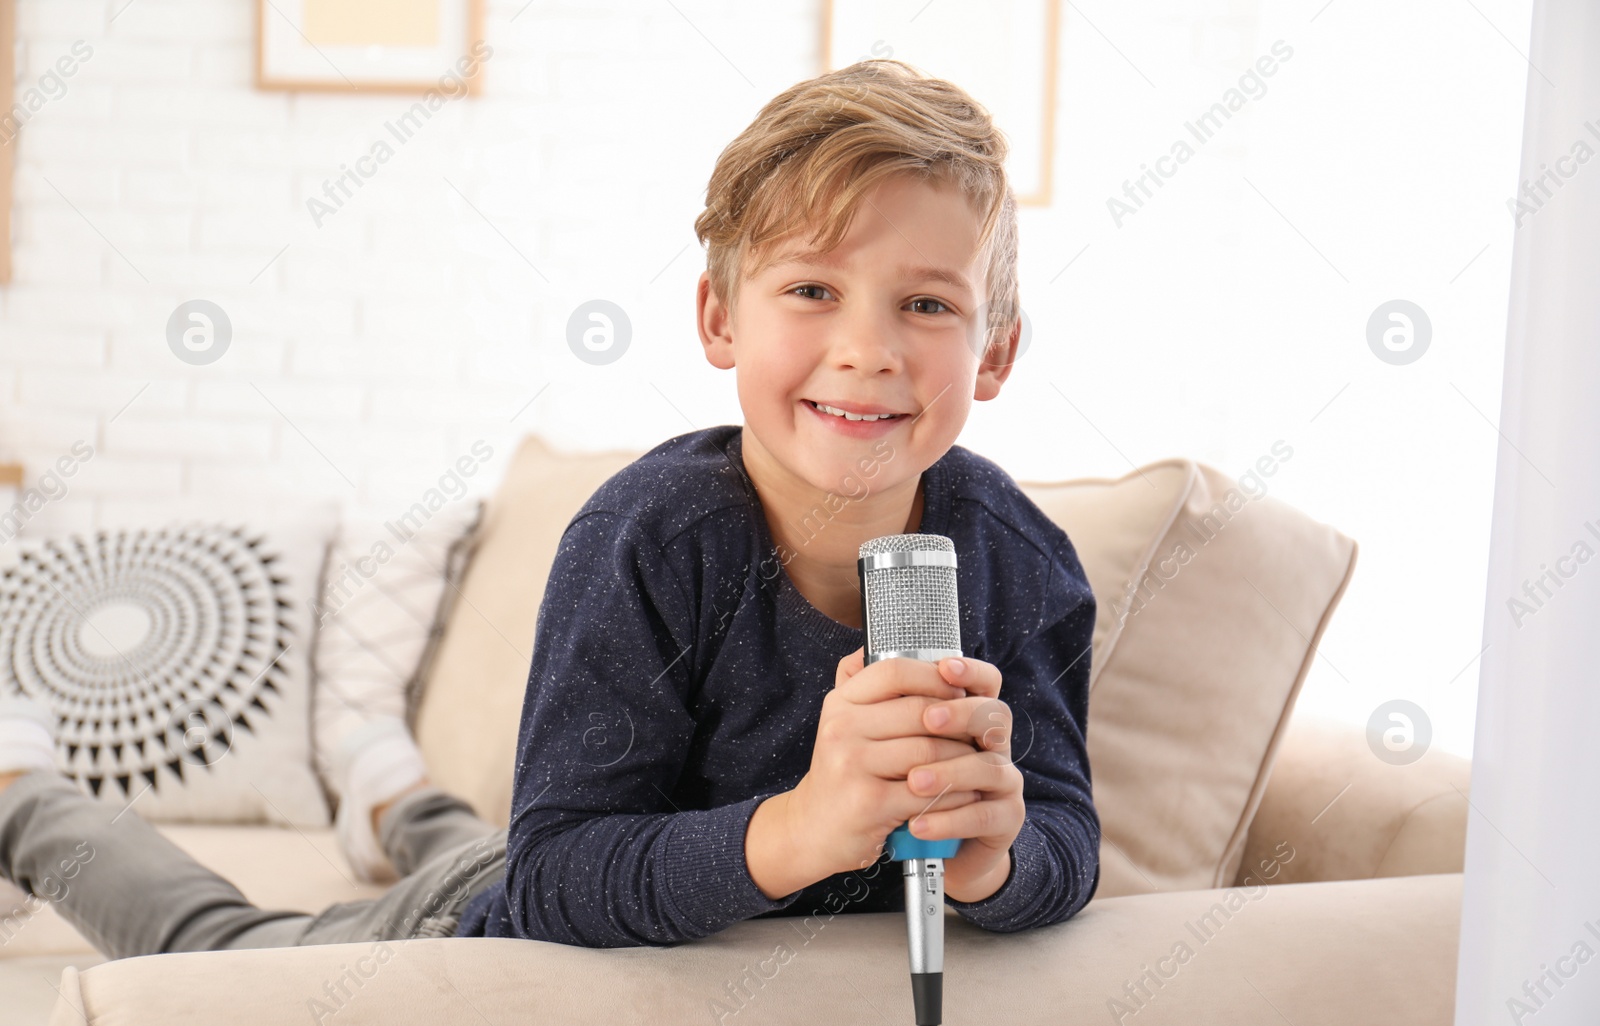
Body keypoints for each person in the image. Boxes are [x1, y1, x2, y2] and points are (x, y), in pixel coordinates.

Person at [0, 56, 1099, 959]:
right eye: (811, 288)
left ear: (993, 349)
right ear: (718, 318)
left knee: (470, 833)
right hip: (478, 918)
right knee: (222, 944)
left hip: (549, 851)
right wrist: (802, 828)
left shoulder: (1018, 562)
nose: (867, 347)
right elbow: (554, 874)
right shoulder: (650, 536)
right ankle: (28, 794)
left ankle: (389, 789)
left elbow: (1067, 836)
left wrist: (991, 857)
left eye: (927, 302)